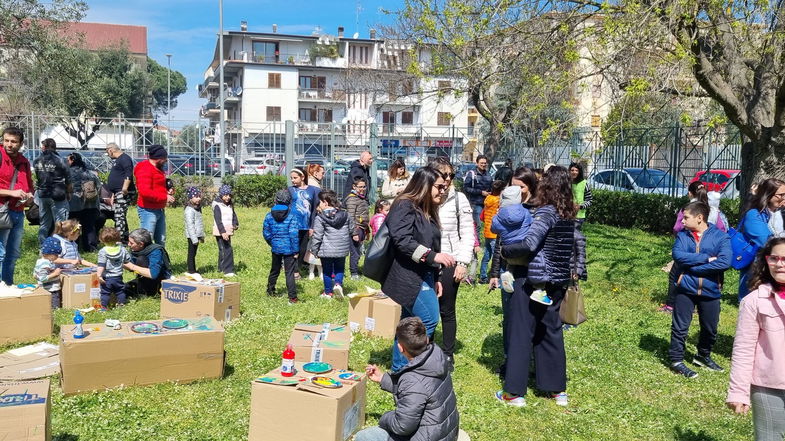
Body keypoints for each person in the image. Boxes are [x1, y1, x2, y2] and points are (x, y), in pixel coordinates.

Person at [497, 165, 576, 407]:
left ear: (547, 186)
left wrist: (505, 250)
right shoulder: (569, 213)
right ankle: (557, 391)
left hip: (531, 277)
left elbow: (530, 243)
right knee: (550, 331)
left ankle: (514, 393)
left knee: (522, 333)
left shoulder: (546, 213)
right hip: (558, 280)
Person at [382, 166, 455, 372]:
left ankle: (400, 369)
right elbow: (402, 240)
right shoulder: (405, 204)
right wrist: (433, 257)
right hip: (407, 275)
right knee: (428, 320)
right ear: (425, 185)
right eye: (439, 187)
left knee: (409, 323)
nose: (443, 190)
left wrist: (437, 276)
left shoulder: (428, 208)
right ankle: (406, 370)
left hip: (424, 274)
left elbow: (433, 243)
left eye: (444, 187)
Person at [356, 317, 459, 441]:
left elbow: (402, 426)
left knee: (365, 436)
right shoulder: (436, 356)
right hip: (446, 433)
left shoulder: (412, 380)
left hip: (429, 437)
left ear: (400, 348)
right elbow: (420, 390)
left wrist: (385, 417)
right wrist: (383, 378)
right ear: (426, 339)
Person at [727, 238, 785, 439]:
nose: (779, 264)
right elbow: (743, 349)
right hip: (769, 386)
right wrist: (738, 392)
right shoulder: (754, 301)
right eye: (774, 258)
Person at [668, 201, 732, 379]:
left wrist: (693, 268)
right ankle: (676, 360)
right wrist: (705, 258)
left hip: (711, 290)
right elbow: (678, 256)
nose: (682, 221)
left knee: (710, 328)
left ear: (699, 218)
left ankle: (703, 356)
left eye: (685, 217)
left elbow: (724, 262)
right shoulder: (683, 236)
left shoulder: (721, 237)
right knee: (680, 327)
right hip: (685, 288)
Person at [429, 157, 474, 362]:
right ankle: (424, 351)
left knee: (446, 310)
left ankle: (447, 355)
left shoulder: (459, 199)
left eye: (451, 175)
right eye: (443, 174)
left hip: (450, 260)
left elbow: (467, 233)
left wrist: (463, 262)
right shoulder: (425, 197)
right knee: (425, 308)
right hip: (426, 259)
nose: (447, 179)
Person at [738, 178, 785, 300]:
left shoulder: (778, 213)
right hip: (757, 268)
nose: (784, 198)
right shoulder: (754, 215)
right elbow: (767, 242)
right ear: (768, 195)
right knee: (754, 304)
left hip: (776, 266)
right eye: (781, 195)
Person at [0, 127, 34, 285]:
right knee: (0, 253)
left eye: (13, 142)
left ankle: (7, 285)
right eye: (6, 140)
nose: (9, 144)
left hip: (18, 212)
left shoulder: (24, 162)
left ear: (21, 144)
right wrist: (11, 193)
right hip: (1, 211)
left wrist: (29, 197)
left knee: (13, 254)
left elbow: (29, 186)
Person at [311, 189, 353, 300]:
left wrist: (314, 250)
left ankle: (328, 292)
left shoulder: (320, 218)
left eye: (320, 202)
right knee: (340, 269)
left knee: (327, 271)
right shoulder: (345, 214)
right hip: (342, 248)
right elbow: (352, 229)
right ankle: (338, 284)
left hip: (326, 250)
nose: (319, 205)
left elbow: (317, 236)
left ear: (325, 202)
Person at [263, 190, 300, 303]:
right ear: (289, 201)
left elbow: (266, 233)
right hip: (289, 249)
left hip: (276, 248)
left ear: (276, 200)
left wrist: (272, 242)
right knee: (289, 273)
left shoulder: (269, 215)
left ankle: (270, 290)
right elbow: (294, 234)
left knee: (274, 270)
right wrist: (296, 250)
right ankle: (292, 298)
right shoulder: (292, 216)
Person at [33, 138, 71, 245]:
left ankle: (43, 246)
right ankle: (59, 246)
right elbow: (68, 179)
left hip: (43, 194)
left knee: (44, 223)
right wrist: (69, 193)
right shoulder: (60, 160)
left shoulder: (37, 160)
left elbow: (38, 176)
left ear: (44, 147)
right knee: (60, 223)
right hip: (58, 194)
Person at [134, 144, 174, 246]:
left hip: (159, 208)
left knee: (161, 240)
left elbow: (157, 186)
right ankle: (143, 261)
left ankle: (159, 260)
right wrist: (165, 197)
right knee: (146, 239)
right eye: (164, 158)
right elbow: (145, 192)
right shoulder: (145, 169)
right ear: (158, 158)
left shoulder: (158, 168)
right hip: (148, 210)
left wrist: (167, 190)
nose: (166, 160)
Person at [66, 152, 102, 252]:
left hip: (73, 204)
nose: (67, 162)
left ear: (72, 160)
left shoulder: (68, 173)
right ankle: (91, 247)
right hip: (90, 203)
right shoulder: (90, 173)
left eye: (68, 160)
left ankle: (74, 247)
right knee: (89, 226)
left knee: (74, 225)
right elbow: (98, 187)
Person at [288, 168, 320, 276]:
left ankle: (298, 268)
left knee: (303, 248)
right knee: (293, 247)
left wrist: (312, 226)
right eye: (291, 178)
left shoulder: (313, 190)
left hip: (306, 225)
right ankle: (293, 270)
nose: (293, 180)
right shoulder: (290, 190)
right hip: (292, 224)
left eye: (295, 178)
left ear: (302, 177)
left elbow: (315, 209)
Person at [124, 228, 172, 297]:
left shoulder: (155, 252)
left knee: (141, 259)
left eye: (131, 243)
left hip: (159, 284)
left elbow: (153, 274)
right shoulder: (137, 250)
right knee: (120, 288)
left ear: (141, 244)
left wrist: (131, 266)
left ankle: (144, 292)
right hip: (143, 280)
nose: (128, 244)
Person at [104, 142, 135, 243]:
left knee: (119, 216)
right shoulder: (118, 160)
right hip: (117, 192)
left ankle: (119, 240)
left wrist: (124, 188)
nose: (108, 154)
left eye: (107, 152)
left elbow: (128, 173)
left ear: (111, 150)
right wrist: (113, 193)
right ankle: (125, 238)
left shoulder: (125, 158)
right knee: (119, 215)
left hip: (123, 192)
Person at [95, 227, 130, 310]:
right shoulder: (122, 249)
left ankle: (104, 307)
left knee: (105, 293)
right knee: (120, 291)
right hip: (118, 276)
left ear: (101, 239)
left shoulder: (103, 251)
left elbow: (101, 265)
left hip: (107, 277)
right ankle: (121, 304)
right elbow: (127, 259)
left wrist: (99, 275)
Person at [344, 176, 370, 280]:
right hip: (356, 228)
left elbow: (363, 215)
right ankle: (354, 273)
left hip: (362, 228)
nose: (362, 189)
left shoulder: (361, 198)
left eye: (364, 187)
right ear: (354, 187)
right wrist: (354, 232)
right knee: (354, 252)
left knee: (359, 251)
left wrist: (367, 229)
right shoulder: (352, 199)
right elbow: (350, 217)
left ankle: (356, 270)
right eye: (360, 187)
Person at [479, 180, 505, 284]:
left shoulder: (488, 198)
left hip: (487, 231)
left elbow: (483, 217)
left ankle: (483, 277)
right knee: (497, 256)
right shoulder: (498, 201)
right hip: (495, 233)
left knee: (486, 255)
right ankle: (497, 279)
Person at [462, 155, 493, 239]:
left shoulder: (488, 174)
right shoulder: (471, 174)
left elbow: (491, 186)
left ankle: (487, 246)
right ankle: (476, 245)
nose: (483, 165)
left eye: (485, 163)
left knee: (489, 226)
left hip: (487, 203)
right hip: (476, 203)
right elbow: (466, 188)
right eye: (481, 163)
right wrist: (480, 192)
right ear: (477, 163)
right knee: (477, 225)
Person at [212, 184, 238, 277]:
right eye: (225, 195)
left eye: (229, 195)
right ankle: (227, 270)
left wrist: (235, 224)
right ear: (221, 195)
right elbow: (218, 220)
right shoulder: (217, 205)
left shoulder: (230, 205)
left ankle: (221, 268)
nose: (228, 197)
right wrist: (222, 232)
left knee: (226, 249)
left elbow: (233, 215)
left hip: (228, 229)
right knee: (226, 249)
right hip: (220, 231)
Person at [34, 237, 63, 309]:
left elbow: (35, 274)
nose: (57, 257)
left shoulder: (40, 261)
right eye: (55, 255)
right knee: (54, 308)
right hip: (51, 290)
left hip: (46, 289)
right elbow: (43, 278)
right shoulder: (45, 263)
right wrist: (55, 274)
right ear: (48, 253)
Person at [183, 187, 205, 277]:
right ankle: (191, 271)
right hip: (192, 236)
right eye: (196, 196)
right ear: (190, 198)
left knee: (194, 253)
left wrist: (202, 236)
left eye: (199, 196)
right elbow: (190, 225)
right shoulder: (189, 210)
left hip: (197, 235)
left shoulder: (197, 208)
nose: (198, 198)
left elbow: (200, 224)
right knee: (191, 253)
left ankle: (193, 270)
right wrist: (194, 238)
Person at [569, 162, 592, 230]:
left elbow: (589, 200)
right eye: (572, 170)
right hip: (567, 214)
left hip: (579, 215)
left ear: (579, 172)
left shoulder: (584, 183)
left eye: (576, 170)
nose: (574, 172)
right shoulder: (566, 183)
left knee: (575, 235)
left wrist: (580, 206)